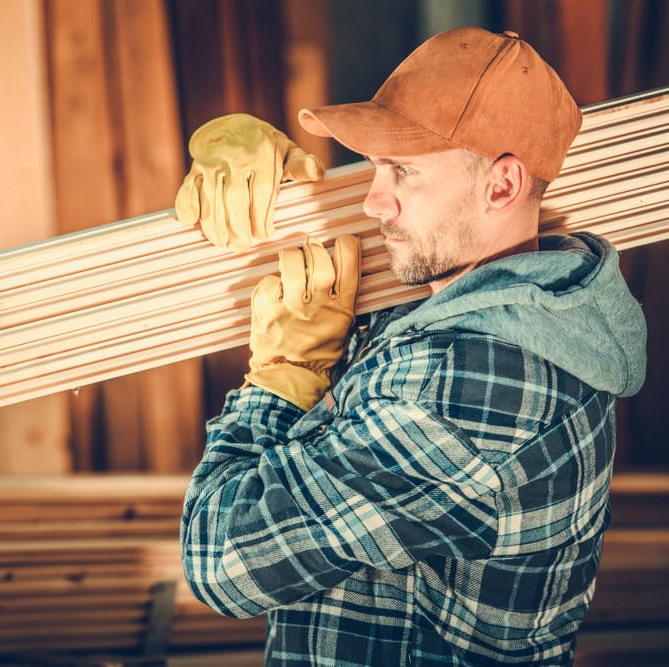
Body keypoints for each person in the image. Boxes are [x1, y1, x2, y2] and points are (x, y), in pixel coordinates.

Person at [175, 27, 647, 666]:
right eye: (372, 164)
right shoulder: (497, 298)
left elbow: (221, 560)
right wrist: (272, 183)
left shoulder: (473, 396)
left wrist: (283, 376)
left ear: (502, 186)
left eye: (404, 171)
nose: (372, 201)